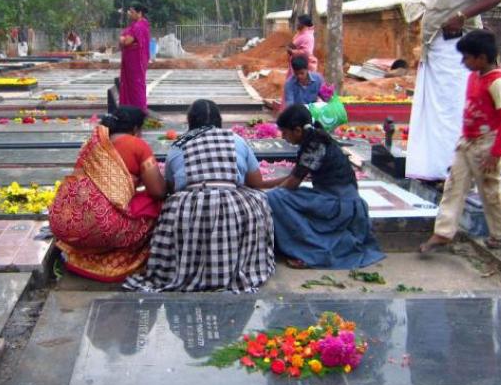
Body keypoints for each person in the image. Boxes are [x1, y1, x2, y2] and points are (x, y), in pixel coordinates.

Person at [124, 99, 275, 293]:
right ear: (219, 120)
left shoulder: (178, 146)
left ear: (190, 121)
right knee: (258, 200)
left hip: (190, 207)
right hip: (233, 207)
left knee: (173, 206)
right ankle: (238, 265)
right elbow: (256, 182)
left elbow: (171, 188)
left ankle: (189, 270)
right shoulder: (236, 140)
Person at [406, 0, 501, 181]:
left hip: (457, 52)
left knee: (453, 109)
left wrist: (462, 15)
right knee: (434, 113)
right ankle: (435, 167)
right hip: (435, 52)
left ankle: (456, 169)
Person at [419, 30, 501, 252]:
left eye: (467, 57)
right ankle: (443, 232)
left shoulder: (497, 83)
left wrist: (496, 153)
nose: (463, 62)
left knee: (490, 189)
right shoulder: (473, 77)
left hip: (488, 144)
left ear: (482, 58)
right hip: (467, 141)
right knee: (454, 185)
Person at [49, 106, 166, 282]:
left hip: (65, 225)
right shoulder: (137, 145)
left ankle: (80, 259)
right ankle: (121, 258)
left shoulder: (93, 143)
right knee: (158, 204)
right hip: (104, 229)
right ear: (135, 129)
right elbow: (158, 191)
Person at [259, 104, 385, 269]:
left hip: (340, 204)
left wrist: (264, 194)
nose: (283, 137)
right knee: (277, 195)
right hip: (336, 198)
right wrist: (261, 185)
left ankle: (308, 252)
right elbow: (293, 176)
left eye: (285, 133)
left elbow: (291, 183)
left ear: (297, 130)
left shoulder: (314, 146)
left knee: (274, 198)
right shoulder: (314, 138)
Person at [118, 2, 151, 110]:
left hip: (135, 62)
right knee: (135, 86)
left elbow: (127, 41)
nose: (130, 14)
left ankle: (139, 111)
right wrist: (123, 39)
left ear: (139, 13)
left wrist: (122, 39)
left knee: (136, 87)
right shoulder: (141, 24)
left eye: (132, 12)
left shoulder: (138, 26)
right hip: (136, 61)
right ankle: (133, 110)